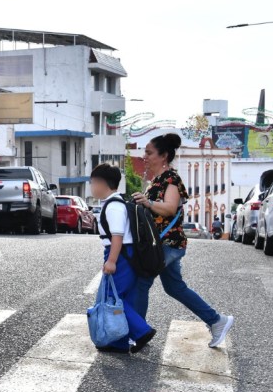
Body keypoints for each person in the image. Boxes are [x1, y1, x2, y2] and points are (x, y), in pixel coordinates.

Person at [131, 133, 234, 348]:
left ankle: (139, 332)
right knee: (175, 288)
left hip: (169, 243)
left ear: (164, 156)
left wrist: (148, 203)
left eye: (149, 153)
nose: (145, 156)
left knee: (142, 280)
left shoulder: (171, 179)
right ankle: (217, 321)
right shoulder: (155, 181)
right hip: (159, 243)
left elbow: (169, 208)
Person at [91, 164, 156, 354]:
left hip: (120, 255)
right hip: (123, 254)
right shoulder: (114, 203)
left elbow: (117, 237)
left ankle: (142, 331)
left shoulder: (114, 206)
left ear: (103, 184)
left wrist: (111, 261)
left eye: (93, 183)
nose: (92, 188)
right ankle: (119, 342)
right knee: (121, 297)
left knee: (113, 299)